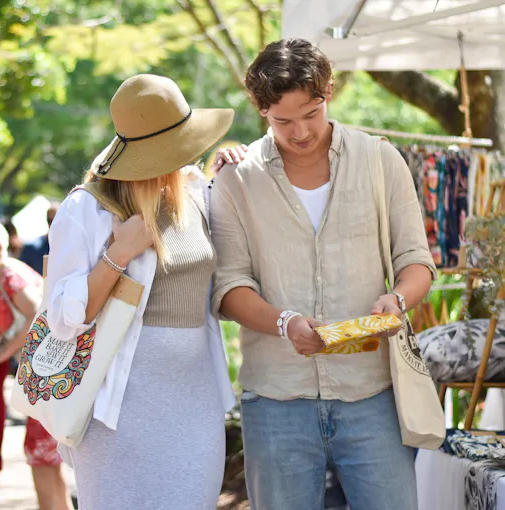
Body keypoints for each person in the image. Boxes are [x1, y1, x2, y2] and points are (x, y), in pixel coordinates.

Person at [210, 38, 436, 510]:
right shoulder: (237, 179)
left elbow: (416, 260)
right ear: (261, 110)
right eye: (282, 121)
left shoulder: (380, 160)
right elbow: (230, 287)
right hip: (276, 401)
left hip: (373, 394)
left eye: (311, 113)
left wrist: (397, 299)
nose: (300, 132)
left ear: (329, 91)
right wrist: (284, 323)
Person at [46, 74, 237, 510]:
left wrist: (228, 171)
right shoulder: (88, 208)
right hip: (117, 408)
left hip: (195, 401)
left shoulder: (196, 194)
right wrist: (119, 253)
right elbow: (61, 318)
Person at [0, 217, 73, 510]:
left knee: (41, 456)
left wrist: (3, 350)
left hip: (49, 375)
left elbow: (39, 315)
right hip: (42, 376)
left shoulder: (9, 276)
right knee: (44, 458)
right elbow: (10, 327)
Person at [18, 204, 59, 275]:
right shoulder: (31, 249)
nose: (53, 224)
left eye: (57, 220)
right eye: (50, 220)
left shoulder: (72, 249)